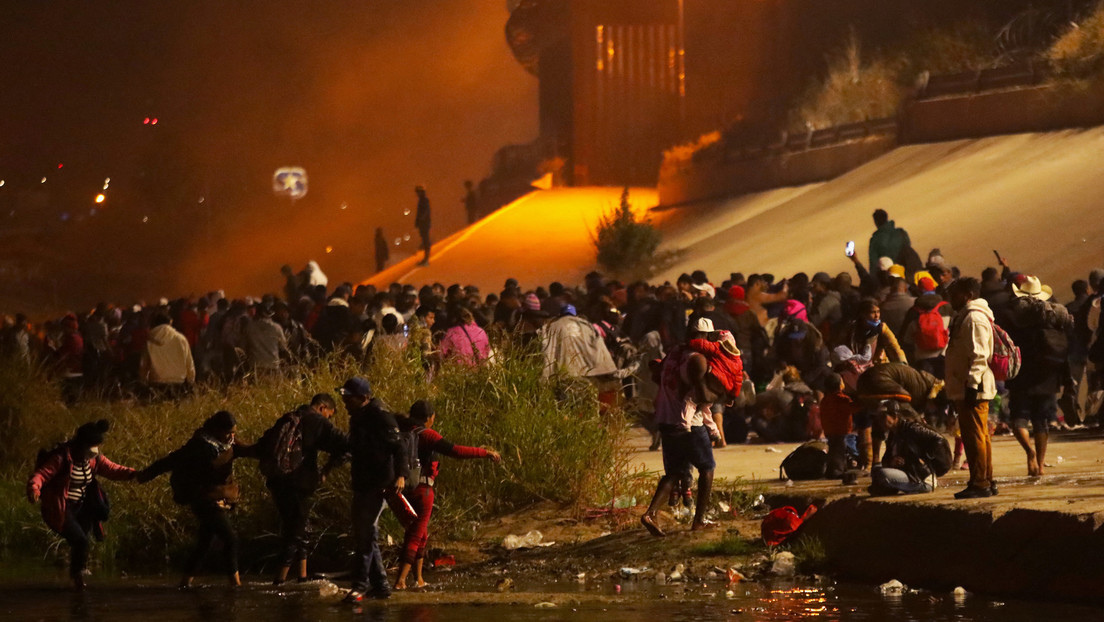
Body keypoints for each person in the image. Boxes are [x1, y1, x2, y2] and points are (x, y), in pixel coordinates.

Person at [640, 321, 735, 537]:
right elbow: (702, 395)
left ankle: (650, 513)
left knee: (674, 472)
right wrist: (724, 395)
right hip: (689, 424)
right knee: (707, 468)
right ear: (705, 338)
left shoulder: (673, 353)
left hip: (666, 419)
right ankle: (699, 521)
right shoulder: (697, 360)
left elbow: (657, 373)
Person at [395, 400, 501, 590]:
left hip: (406, 490)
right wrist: (485, 453)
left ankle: (418, 579)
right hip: (423, 491)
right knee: (416, 534)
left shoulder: (402, 432)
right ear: (429, 418)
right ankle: (401, 581)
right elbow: (456, 451)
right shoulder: (427, 435)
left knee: (421, 534)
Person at [138, 411, 248, 587]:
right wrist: (147, 473)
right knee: (230, 538)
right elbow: (172, 460)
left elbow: (250, 450)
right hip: (202, 498)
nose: (232, 436)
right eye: (228, 432)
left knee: (205, 542)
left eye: (234, 432)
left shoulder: (227, 443)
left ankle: (185, 583)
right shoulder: (199, 446)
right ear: (216, 430)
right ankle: (235, 585)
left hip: (216, 497)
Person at [26, 420, 137, 590]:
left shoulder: (93, 459)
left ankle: (77, 575)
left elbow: (112, 469)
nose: (94, 452)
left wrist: (134, 474)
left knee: (82, 542)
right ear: (82, 445)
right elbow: (41, 475)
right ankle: (78, 579)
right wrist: (34, 489)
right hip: (62, 507)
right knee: (81, 541)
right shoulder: (62, 457)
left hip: (84, 508)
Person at [253, 393, 349, 585]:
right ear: (322, 408)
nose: (328, 418)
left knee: (301, 527)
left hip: (278, 481)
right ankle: (279, 581)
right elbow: (345, 444)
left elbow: (264, 444)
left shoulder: (288, 418)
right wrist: (327, 468)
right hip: (299, 483)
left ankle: (302, 576)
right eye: (329, 414)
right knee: (295, 530)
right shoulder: (317, 421)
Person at [340, 377, 418, 602]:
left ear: (363, 398)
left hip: (379, 485)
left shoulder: (380, 417)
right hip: (362, 484)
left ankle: (360, 586)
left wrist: (401, 475)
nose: (345, 401)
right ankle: (381, 586)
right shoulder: (357, 419)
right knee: (366, 535)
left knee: (365, 534)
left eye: (349, 397)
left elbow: (399, 447)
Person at [1003, 276, 1073, 476]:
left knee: (1019, 418)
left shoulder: (1013, 316)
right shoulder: (1052, 315)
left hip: (1022, 374)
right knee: (1042, 421)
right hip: (1047, 375)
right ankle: (1040, 466)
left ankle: (1029, 452)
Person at [945, 278, 997, 499]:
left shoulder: (974, 318)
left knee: (975, 437)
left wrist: (972, 386)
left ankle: (980, 482)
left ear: (967, 295)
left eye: (954, 294)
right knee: (979, 435)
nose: (950, 299)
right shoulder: (968, 316)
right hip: (969, 385)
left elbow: (979, 356)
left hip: (974, 387)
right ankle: (985, 479)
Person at [869, 401, 951, 496]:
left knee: (882, 474)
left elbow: (939, 440)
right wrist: (892, 461)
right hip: (906, 474)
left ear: (895, 416)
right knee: (876, 471)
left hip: (919, 479)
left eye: (883, 417)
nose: (880, 421)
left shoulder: (912, 429)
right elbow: (885, 459)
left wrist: (927, 461)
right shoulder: (892, 435)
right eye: (878, 418)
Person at [139, 312, 196, 397]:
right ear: (170, 322)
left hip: (157, 384)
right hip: (178, 383)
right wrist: (191, 382)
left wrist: (143, 382)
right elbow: (189, 363)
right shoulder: (181, 339)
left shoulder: (149, 341)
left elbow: (143, 365)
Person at [245, 303, 290, 374]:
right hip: (273, 366)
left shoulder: (249, 327)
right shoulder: (276, 328)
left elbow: (244, 346)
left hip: (256, 365)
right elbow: (283, 347)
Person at [868, 209, 910, 275]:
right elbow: (909, 251)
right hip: (906, 271)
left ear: (875, 222)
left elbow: (873, 263)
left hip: (888, 276)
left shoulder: (875, 240)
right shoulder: (901, 232)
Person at [415, 185, 432, 265]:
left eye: (418, 192)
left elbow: (426, 211)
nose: (417, 194)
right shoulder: (421, 200)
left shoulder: (424, 200)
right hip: (423, 224)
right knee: (424, 239)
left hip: (424, 224)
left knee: (425, 239)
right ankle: (426, 258)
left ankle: (426, 258)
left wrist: (421, 219)